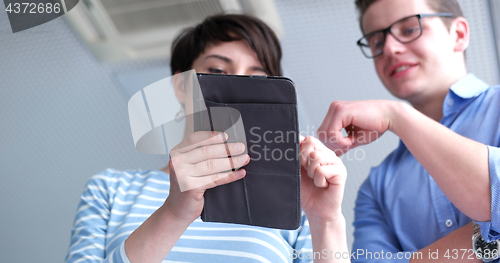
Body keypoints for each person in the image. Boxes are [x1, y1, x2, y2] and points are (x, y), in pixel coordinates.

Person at [65, 14, 349, 263]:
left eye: (257, 74)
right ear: (181, 86)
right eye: (216, 70)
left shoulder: (294, 204)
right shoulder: (110, 189)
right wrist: (173, 214)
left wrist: (326, 220)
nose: (237, 81)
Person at [317, 0, 500, 262]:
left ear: (458, 34)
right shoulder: (376, 188)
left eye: (409, 29)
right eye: (377, 42)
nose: (389, 48)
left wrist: (397, 115)